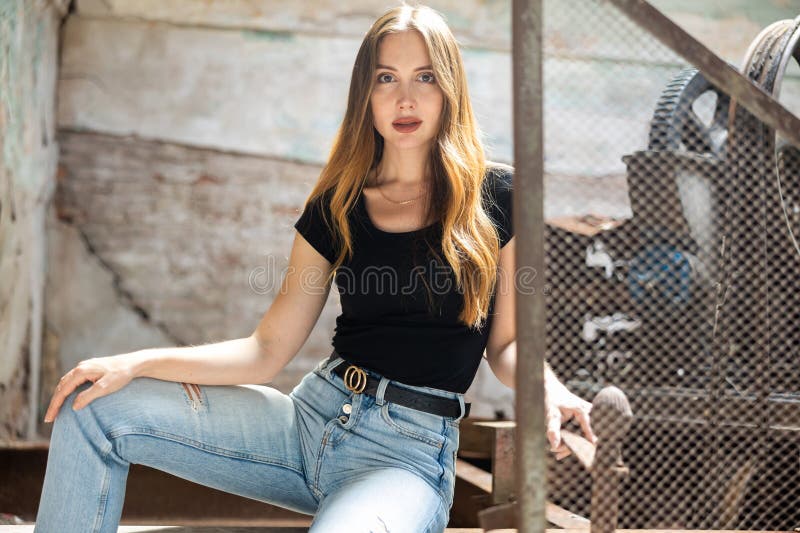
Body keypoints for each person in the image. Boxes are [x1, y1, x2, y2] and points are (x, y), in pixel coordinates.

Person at [35, 5, 595, 532]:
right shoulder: (338, 203)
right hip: (309, 420)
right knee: (93, 407)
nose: (405, 98)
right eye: (386, 78)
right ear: (366, 95)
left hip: (405, 457)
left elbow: (507, 345)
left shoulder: (498, 196)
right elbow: (265, 349)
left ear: (449, 89)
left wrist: (547, 389)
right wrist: (137, 363)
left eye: (424, 77)